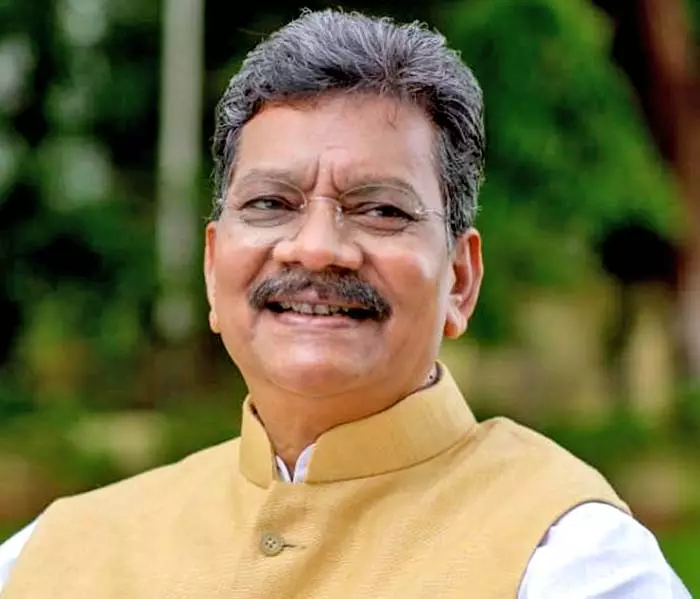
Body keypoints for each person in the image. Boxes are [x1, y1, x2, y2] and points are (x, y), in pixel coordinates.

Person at [0, 8, 691, 598]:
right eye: (271, 203)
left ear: (459, 279)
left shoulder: (569, 560)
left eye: (381, 209)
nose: (316, 248)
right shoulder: (52, 557)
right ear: (213, 270)